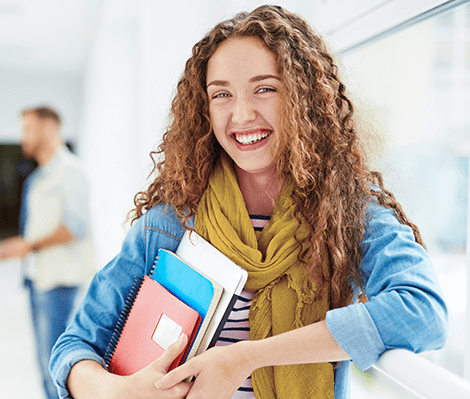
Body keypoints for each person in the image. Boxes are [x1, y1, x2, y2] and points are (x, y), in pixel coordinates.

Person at [49, 5, 449, 399]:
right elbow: (74, 347)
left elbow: (421, 313)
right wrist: (113, 392)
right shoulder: (167, 225)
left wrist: (246, 359)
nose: (241, 114)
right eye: (221, 94)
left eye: (264, 88)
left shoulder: (347, 215)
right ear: (203, 109)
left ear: (303, 98)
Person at [0, 105, 96, 399]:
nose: (22, 137)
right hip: (38, 279)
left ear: (50, 129)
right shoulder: (39, 176)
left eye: (28, 128)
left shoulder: (70, 172)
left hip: (60, 285)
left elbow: (75, 227)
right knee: (44, 364)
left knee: (58, 368)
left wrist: (27, 245)